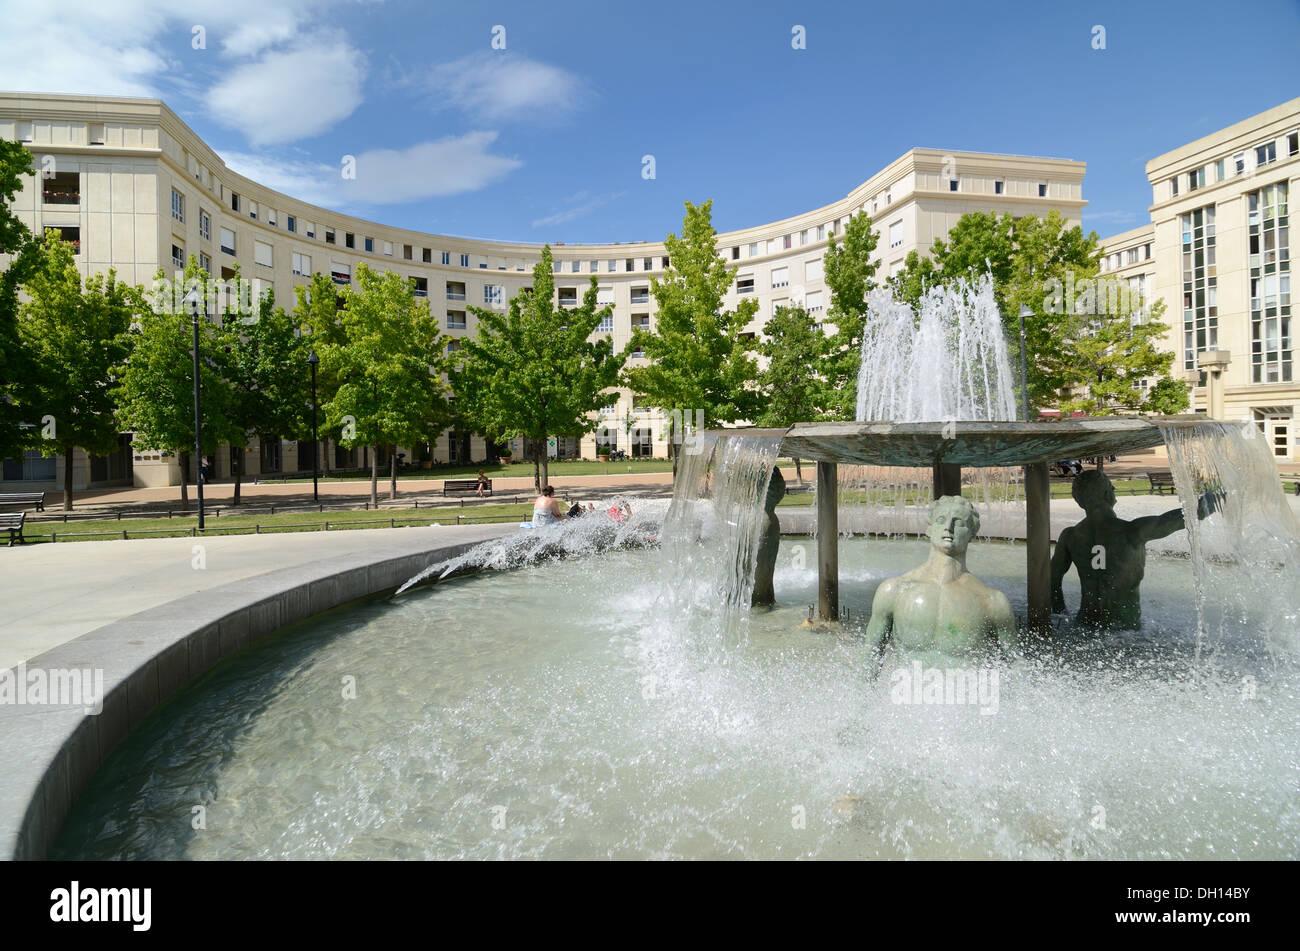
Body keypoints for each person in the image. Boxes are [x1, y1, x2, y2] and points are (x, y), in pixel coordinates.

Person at [1051, 470, 1221, 630]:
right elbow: (1194, 513)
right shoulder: (1132, 531)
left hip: (1085, 626)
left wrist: (1060, 614)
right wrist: (1221, 495)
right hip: (1124, 631)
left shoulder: (1070, 536)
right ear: (1106, 494)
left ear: (1080, 501)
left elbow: (1051, 580)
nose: (1114, 490)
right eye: (1111, 487)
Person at [866, 495, 1016, 662]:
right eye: (941, 520)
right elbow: (870, 657)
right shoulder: (894, 590)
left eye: (959, 523)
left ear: (972, 533)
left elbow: (1015, 664)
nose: (948, 527)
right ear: (929, 529)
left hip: (966, 687)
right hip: (907, 686)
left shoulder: (992, 602)